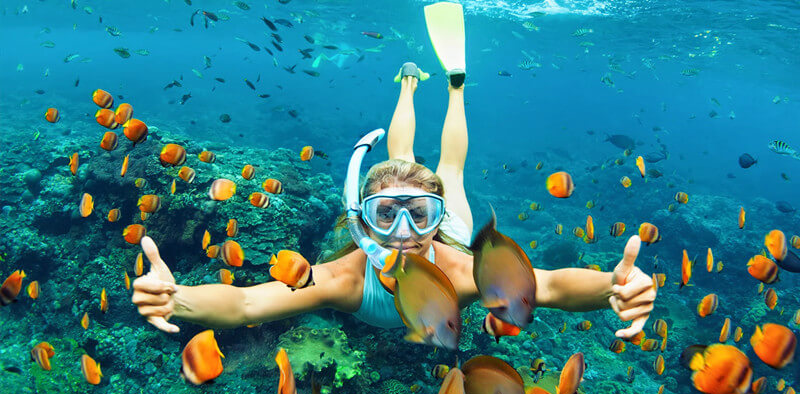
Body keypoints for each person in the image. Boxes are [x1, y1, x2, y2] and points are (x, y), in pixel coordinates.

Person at [131, 64, 657, 340]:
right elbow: (248, 303)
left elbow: (552, 285)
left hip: (457, 230)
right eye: (387, 213)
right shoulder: (339, 279)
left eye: (419, 214)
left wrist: (614, 285)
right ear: (365, 221)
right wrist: (177, 298)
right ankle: (408, 87)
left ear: (437, 218)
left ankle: (454, 90)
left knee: (449, 170)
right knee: (400, 153)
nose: (404, 229)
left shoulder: (465, 268)